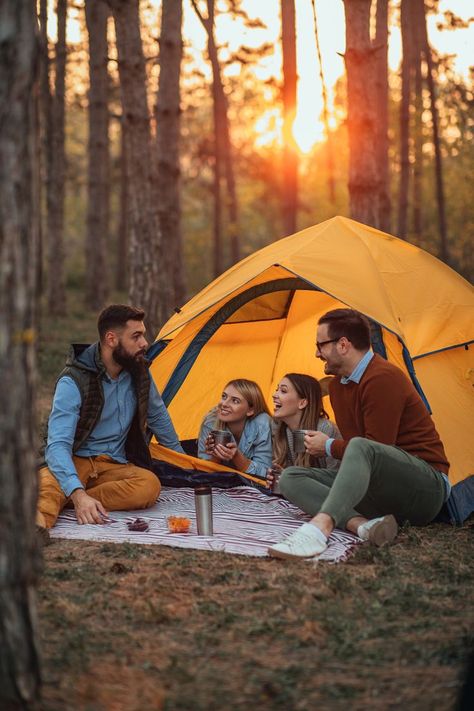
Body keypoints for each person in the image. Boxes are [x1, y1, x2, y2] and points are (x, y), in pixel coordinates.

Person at [269, 308, 450, 560]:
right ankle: (364, 526)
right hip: (379, 492)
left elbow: (373, 448)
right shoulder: (337, 387)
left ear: (343, 345)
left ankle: (320, 529)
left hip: (424, 489)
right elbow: (360, 454)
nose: (316, 353)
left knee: (361, 446)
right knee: (290, 478)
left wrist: (329, 446)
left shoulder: (382, 378)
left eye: (320, 345)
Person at [37, 304, 185, 534]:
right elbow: (58, 445)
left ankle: (70, 499)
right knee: (48, 484)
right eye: (136, 336)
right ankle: (34, 531)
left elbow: (158, 417)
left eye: (143, 335)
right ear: (111, 339)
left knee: (149, 485)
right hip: (76, 459)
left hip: (115, 465)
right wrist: (77, 488)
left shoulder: (139, 372)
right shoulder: (74, 380)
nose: (144, 343)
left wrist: (183, 464)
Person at [268, 373, 340, 492]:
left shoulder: (325, 429)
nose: (274, 395)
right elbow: (297, 472)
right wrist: (282, 476)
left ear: (302, 403)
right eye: (276, 390)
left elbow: (337, 479)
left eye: (283, 391)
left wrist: (292, 479)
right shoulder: (282, 429)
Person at [198, 379, 272, 487]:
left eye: (235, 401)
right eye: (224, 396)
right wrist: (215, 456)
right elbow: (202, 474)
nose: (224, 404)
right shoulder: (210, 422)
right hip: (222, 486)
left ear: (250, 410)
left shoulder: (262, 424)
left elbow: (265, 475)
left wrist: (236, 456)